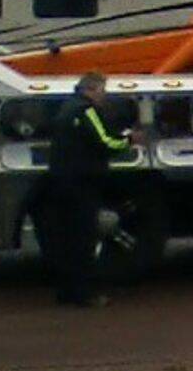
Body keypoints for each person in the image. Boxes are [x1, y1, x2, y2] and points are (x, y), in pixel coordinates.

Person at [42, 71, 138, 306]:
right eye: (102, 90)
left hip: (62, 179)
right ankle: (84, 294)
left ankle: (66, 291)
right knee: (84, 240)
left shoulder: (66, 109)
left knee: (68, 239)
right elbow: (105, 141)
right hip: (83, 182)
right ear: (91, 89)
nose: (104, 96)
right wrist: (130, 140)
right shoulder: (86, 111)